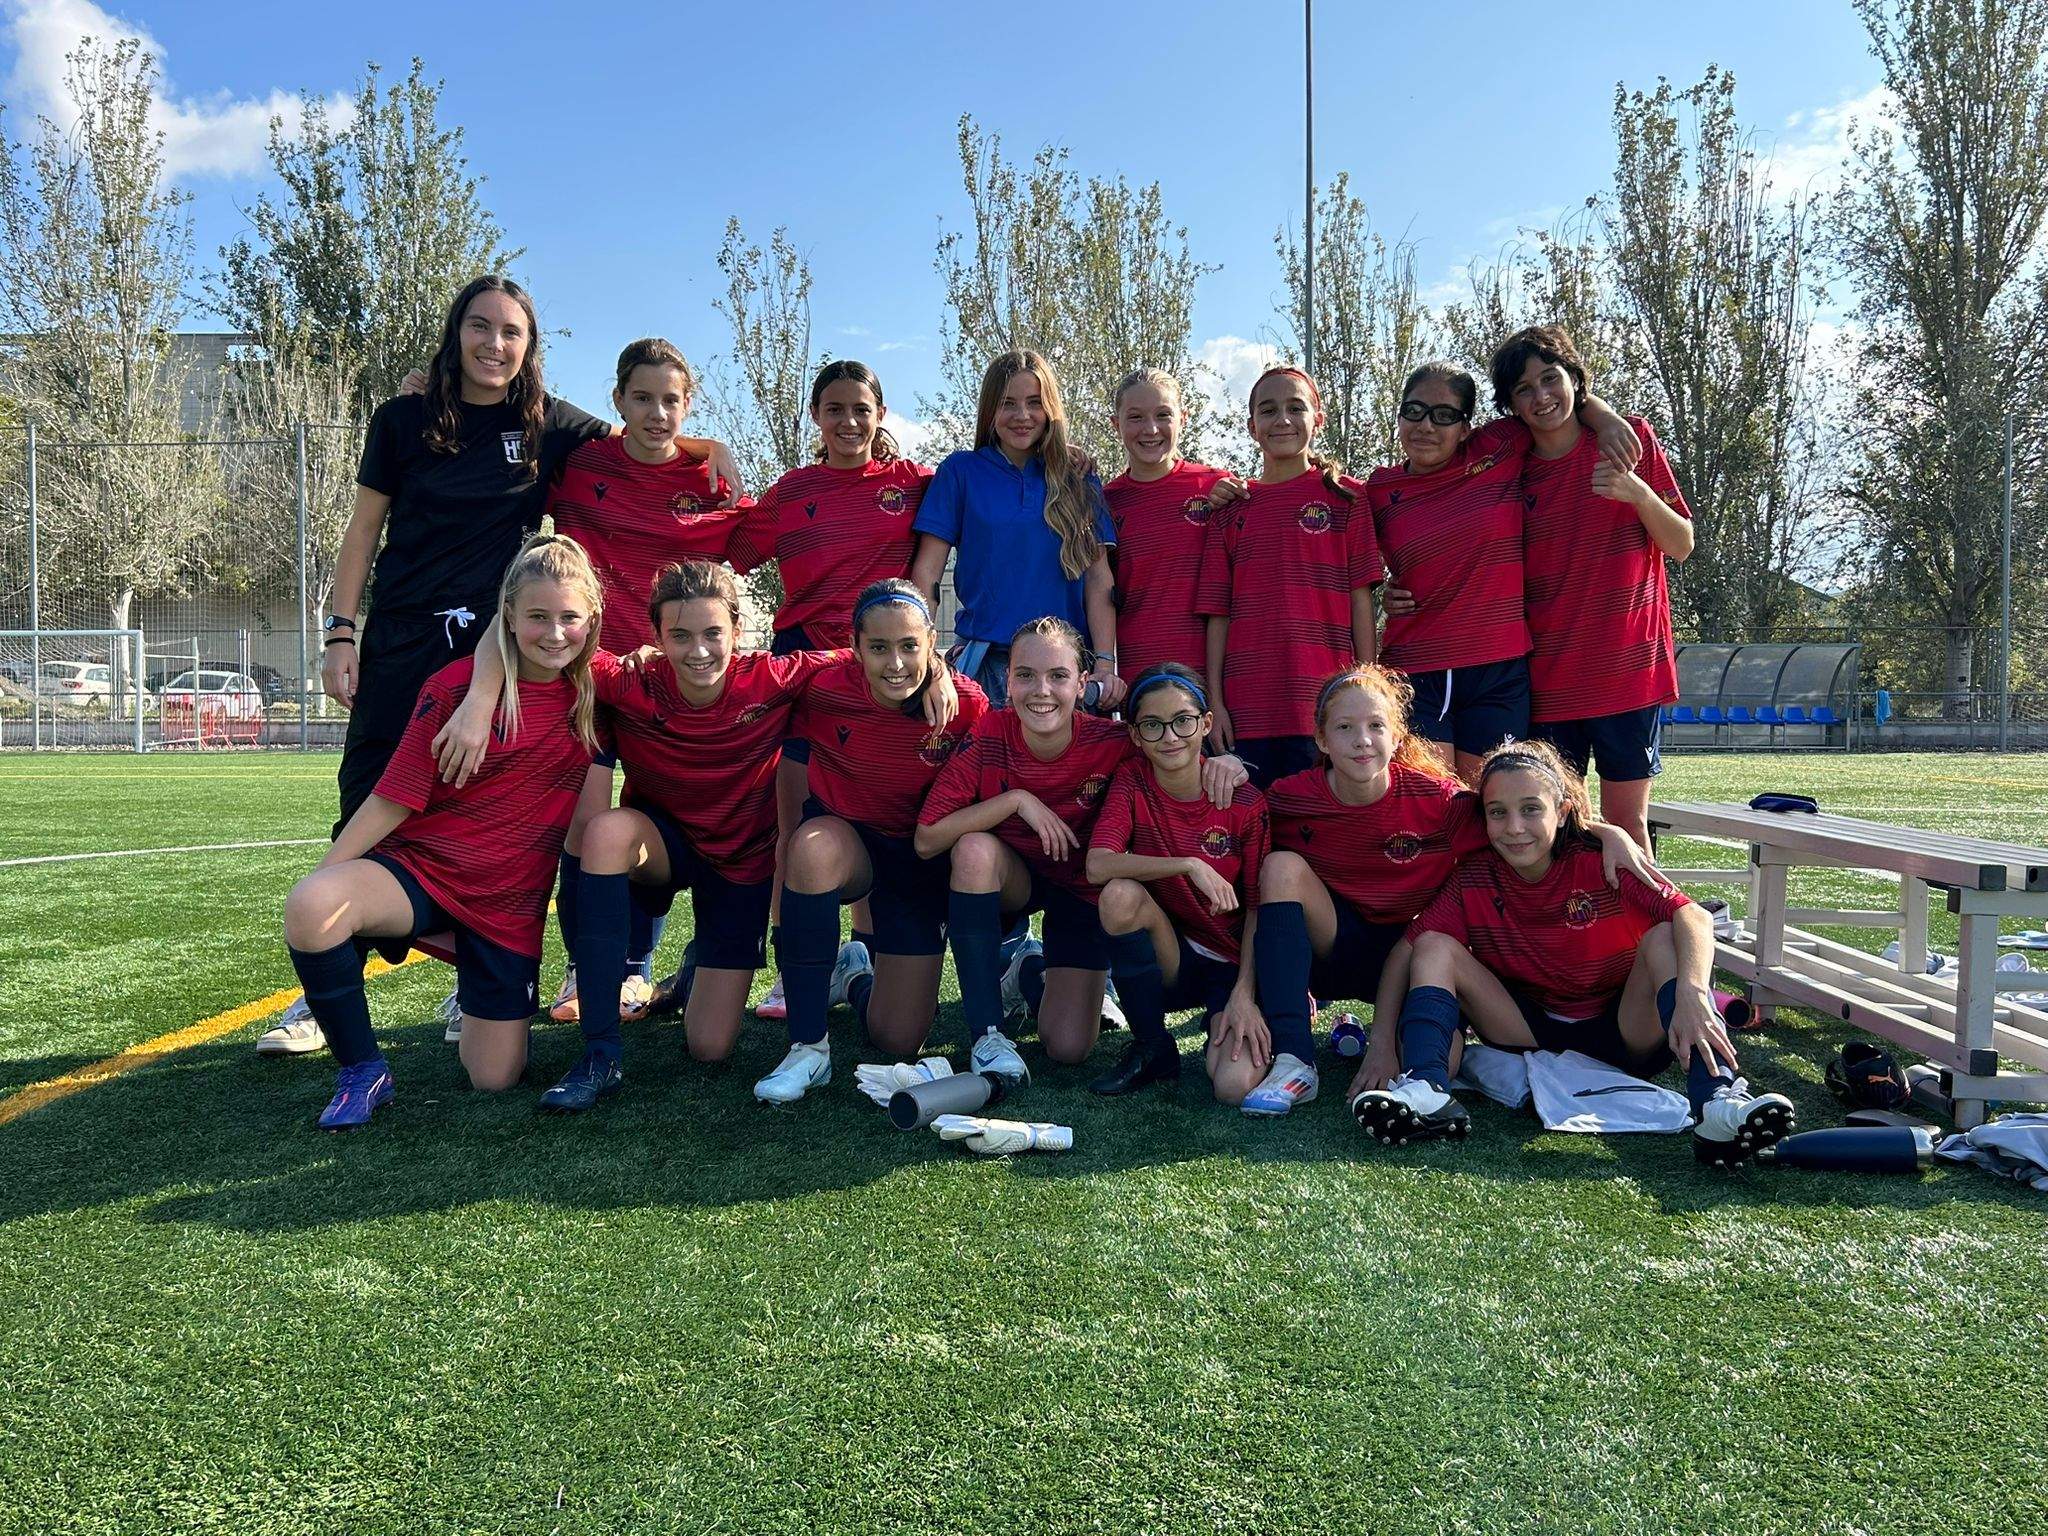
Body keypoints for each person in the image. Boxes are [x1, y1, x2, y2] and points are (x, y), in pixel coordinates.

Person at [541, 561, 953, 1111]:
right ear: (656, 636)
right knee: (605, 832)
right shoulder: (628, 680)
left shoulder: (773, 677)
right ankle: (599, 1050)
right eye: (680, 636)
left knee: (710, 1046)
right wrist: (474, 700)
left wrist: (942, 670)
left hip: (739, 868)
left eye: (713, 633)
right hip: (663, 845)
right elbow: (533, 651)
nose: (698, 651)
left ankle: (709, 973)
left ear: (737, 631)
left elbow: (880, 653)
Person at [431, 337, 741, 1027]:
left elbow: (751, 543)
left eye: (672, 400)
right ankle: (577, 968)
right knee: (584, 827)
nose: (657, 413)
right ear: (618, 401)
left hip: (669, 686)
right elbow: (511, 410)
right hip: (589, 679)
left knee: (663, 820)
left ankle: (636, 968)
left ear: (689, 405)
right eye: (643, 398)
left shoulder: (710, 483)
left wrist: (706, 448)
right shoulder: (579, 465)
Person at [280, 533, 603, 1129]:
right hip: (426, 873)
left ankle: (467, 961)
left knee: (494, 1078)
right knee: (312, 905)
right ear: (507, 614)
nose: (554, 633)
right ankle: (362, 1070)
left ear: (592, 619)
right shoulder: (455, 687)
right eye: (537, 616)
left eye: (569, 618)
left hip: (508, 908)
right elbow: (392, 797)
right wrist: (328, 873)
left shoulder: (598, 691)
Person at [1352, 740, 1794, 1164]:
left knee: (1663, 936)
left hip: (1624, 1034)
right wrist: (1380, 1047)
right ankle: (1426, 1090)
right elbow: (1404, 955)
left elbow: (1693, 915)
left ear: (1563, 812)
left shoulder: (1604, 861)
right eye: (1497, 813)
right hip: (1530, 1032)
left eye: (1531, 810)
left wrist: (1695, 991)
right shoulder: (1474, 877)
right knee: (1433, 945)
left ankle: (1716, 1100)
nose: (1514, 827)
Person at [1261, 667, 1664, 1107]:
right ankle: (1294, 1059)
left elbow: (1523, 819)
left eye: (1376, 726)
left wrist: (1607, 832)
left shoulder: (1439, 802)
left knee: (1441, 1062)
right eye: (1344, 728)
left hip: (1416, 954)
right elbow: (1242, 838)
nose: (1362, 740)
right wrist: (1229, 768)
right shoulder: (1288, 797)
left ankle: (1422, 1080)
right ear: (1320, 739)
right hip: (1337, 947)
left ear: (1397, 736)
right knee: (1280, 867)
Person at [916, 619, 1243, 1082]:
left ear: (1082, 683)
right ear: (1007, 680)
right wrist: (1016, 801)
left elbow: (1176, 750)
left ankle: (1029, 972)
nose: (1041, 690)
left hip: (1083, 895)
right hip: (1017, 880)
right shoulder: (990, 733)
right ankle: (987, 1035)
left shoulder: (1111, 743)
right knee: (973, 849)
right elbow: (927, 837)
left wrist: (1231, 762)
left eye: (1058, 676)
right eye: (1025, 675)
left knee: (1068, 1047)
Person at [727, 361, 934, 1026]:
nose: (849, 421)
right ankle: (796, 968)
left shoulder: (913, 485)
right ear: (816, 417)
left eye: (861, 409)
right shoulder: (792, 491)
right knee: (797, 821)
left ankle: (862, 955)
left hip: (887, 671)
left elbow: (984, 492)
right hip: (805, 670)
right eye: (834, 408)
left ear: (881, 415)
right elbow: (723, 547)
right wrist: (706, 457)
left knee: (871, 816)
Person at [765, 579, 988, 1103]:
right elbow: (743, 674)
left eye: (910, 646)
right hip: (850, 844)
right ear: (854, 646)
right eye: (879, 647)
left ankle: (853, 978)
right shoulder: (822, 683)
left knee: (897, 1039)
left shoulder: (969, 704)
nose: (895, 663)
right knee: (810, 846)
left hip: (918, 862)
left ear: (931, 644)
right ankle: (807, 1048)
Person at [1367, 362, 1639, 783]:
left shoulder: (1499, 447)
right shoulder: (1378, 491)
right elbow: (1350, 565)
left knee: (1490, 802)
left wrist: (1604, 417)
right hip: (1418, 668)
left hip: (1499, 670)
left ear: (1466, 427)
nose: (1425, 426)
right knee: (1433, 804)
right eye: (1414, 411)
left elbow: (1552, 404)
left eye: (1443, 415)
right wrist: (1383, 591)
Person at [1496, 325, 1693, 847]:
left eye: (1550, 378)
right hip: (1549, 679)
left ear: (1575, 380)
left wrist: (1639, 495)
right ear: (1511, 404)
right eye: (1524, 389)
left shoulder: (1628, 441)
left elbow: (1681, 543)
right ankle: (1578, 930)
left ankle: (1649, 928)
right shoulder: (1511, 469)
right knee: (1564, 831)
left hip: (1628, 673)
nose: (1541, 397)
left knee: (1627, 828)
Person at [1085, 664, 1287, 1113]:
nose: (1170, 736)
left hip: (1234, 965)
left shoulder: (1244, 803)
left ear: (1206, 724)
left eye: (1183, 720)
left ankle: (1255, 1011)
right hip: (1172, 954)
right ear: (1135, 735)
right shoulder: (1132, 781)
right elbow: (1098, 865)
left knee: (1233, 1086)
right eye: (1152, 726)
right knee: (1120, 895)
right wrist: (1189, 864)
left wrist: (1244, 994)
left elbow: (1258, 909)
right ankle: (1153, 1047)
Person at [908, 349, 1123, 711]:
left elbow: (1100, 579)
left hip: (1066, 669)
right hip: (987, 665)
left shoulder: (1077, 477)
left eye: (1034, 403)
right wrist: (926, 658)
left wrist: (1104, 663)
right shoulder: (961, 472)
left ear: (1049, 409)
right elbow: (927, 572)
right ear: (990, 410)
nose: (1022, 416)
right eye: (1008, 403)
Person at [1198, 365, 1381, 787]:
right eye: (1269, 409)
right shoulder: (1231, 508)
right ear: (1251, 426)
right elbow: (1217, 614)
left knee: (1323, 829)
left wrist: (1369, 692)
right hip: (1250, 709)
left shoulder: (1347, 498)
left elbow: (1361, 600)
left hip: (1326, 708)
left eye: (1295, 408)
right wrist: (1217, 702)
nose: (1282, 419)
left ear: (1318, 418)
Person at [1101, 369, 1232, 680]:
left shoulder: (1216, 487)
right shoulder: (1104, 502)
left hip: (1211, 675)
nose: (1151, 429)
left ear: (1183, 418)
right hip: (1139, 673)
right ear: (1115, 424)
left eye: (1163, 414)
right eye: (1135, 417)